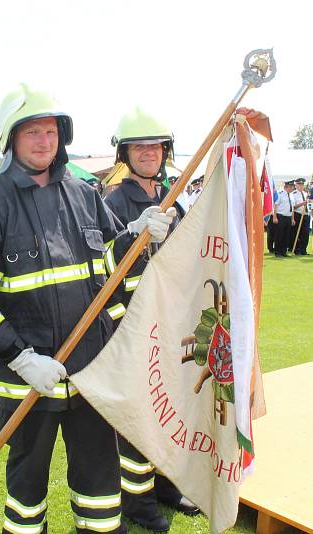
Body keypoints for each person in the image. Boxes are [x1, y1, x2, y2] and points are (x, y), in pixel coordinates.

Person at [0, 84, 171, 534]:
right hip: (27, 382)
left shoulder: (85, 193)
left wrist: (138, 241)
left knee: (99, 484)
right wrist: (20, 358)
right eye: (32, 131)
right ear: (9, 138)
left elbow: (113, 274)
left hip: (91, 374)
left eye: (51, 131)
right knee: (27, 491)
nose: (43, 141)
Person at [103, 107, 190, 532]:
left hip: (170, 320)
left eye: (155, 146)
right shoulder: (113, 201)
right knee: (140, 417)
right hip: (131, 325)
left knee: (169, 409)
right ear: (125, 153)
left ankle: (168, 487)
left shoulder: (174, 198)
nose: (149, 153)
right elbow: (104, 266)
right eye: (140, 147)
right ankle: (138, 502)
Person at [273, 181, 295, 257]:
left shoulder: (291, 195)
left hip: (288, 217)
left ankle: (284, 251)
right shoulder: (280, 194)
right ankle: (277, 252)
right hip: (281, 216)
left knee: (287, 235)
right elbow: (275, 206)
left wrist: (292, 219)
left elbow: (292, 208)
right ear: (287, 187)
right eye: (291, 187)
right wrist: (275, 217)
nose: (293, 188)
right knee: (279, 235)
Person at [290, 178, 310, 255]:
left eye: (302, 185)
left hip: (306, 215)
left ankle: (303, 250)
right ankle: (297, 250)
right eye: (299, 184)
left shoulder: (306, 194)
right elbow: (293, 207)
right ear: (296, 185)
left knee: (305, 234)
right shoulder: (293, 194)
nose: (301, 186)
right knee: (297, 233)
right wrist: (302, 203)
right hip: (298, 215)